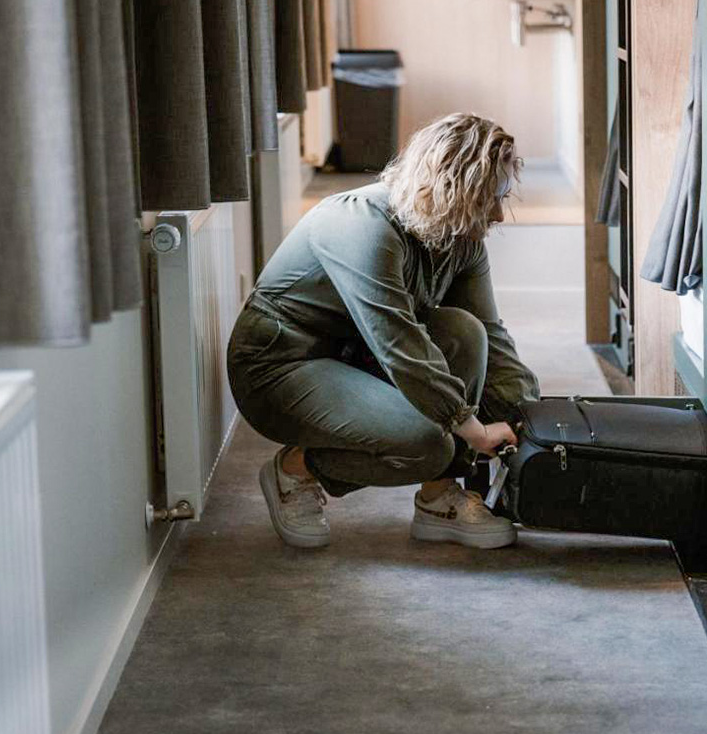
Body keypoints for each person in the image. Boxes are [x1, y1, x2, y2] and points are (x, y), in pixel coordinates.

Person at [227, 113, 540, 550]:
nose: (498, 214)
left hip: (353, 353)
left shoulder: (462, 239)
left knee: (464, 331)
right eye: (490, 198)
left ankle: (438, 498)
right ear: (453, 188)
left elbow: (492, 335)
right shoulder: (362, 223)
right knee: (428, 442)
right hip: (279, 365)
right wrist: (472, 428)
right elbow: (398, 343)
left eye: (502, 196)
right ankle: (295, 471)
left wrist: (531, 419)